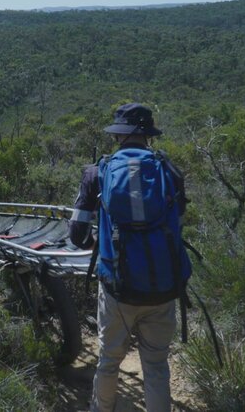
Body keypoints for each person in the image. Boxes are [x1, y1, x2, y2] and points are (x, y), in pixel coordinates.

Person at [70, 103, 190, 412]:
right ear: (148, 136)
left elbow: (76, 235)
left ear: (118, 137)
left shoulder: (97, 172)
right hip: (164, 286)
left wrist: (101, 234)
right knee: (157, 365)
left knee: (109, 360)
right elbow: (178, 221)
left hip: (118, 289)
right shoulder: (169, 171)